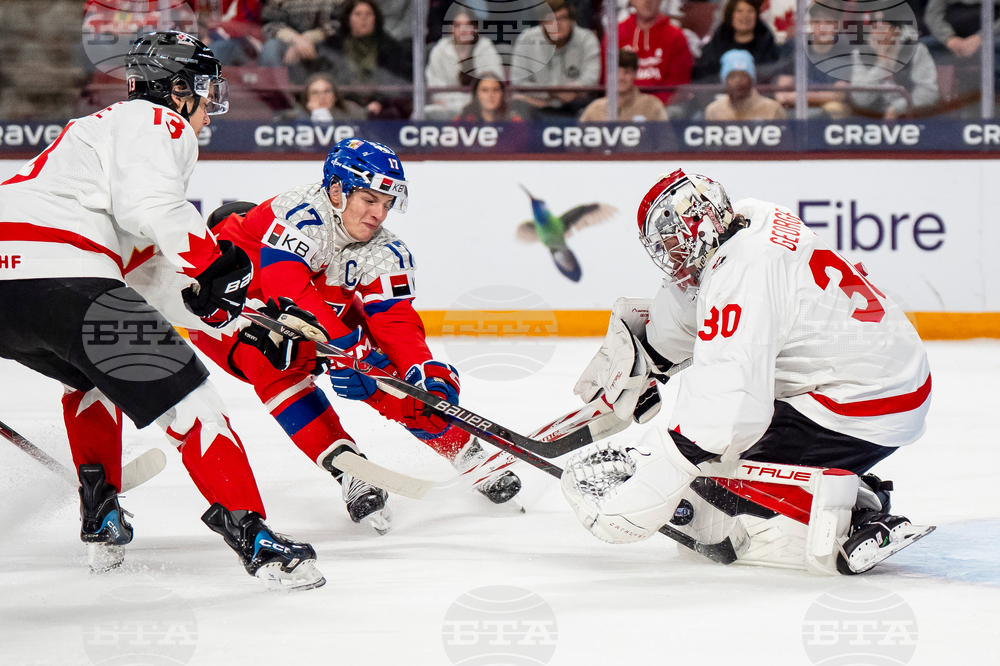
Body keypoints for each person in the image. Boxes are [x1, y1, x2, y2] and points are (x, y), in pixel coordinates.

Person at [0, 31, 324, 591]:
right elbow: (154, 209)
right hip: (64, 277)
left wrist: (235, 319)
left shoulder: (91, 148)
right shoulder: (156, 122)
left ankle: (100, 513)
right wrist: (214, 265)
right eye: (204, 90)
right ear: (177, 90)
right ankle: (257, 538)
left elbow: (150, 277)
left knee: (91, 376)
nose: (208, 108)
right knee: (192, 401)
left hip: (17, 290)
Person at [136, 139, 523, 534]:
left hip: (312, 308)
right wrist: (346, 350)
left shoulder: (384, 248)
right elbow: (285, 286)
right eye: (370, 199)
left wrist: (420, 367)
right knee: (275, 364)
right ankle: (349, 471)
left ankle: (465, 450)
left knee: (381, 370)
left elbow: (394, 320)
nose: (379, 214)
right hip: (238, 314)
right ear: (337, 189)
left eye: (387, 203)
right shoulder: (298, 211)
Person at [560, 169, 932, 575]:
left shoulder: (742, 274)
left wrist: (657, 474)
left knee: (713, 521)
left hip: (858, 404)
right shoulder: (756, 219)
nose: (670, 256)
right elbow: (707, 306)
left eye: (671, 243)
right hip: (884, 378)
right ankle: (833, 488)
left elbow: (729, 405)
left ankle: (850, 517)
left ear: (697, 228)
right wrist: (646, 351)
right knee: (706, 486)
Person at [510, 0, 601, 116]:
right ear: (542, 22)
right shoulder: (526, 39)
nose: (557, 24)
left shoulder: (587, 39)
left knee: (595, 105)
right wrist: (549, 93)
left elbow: (591, 79)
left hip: (576, 104)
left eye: (562, 18)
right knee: (517, 101)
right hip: (537, 105)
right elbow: (518, 81)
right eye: (551, 19)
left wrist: (569, 91)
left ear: (572, 21)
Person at [325, 0, 413, 118]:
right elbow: (327, 79)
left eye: (368, 14)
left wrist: (379, 101)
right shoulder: (332, 45)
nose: (363, 19)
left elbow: (397, 82)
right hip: (341, 105)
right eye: (358, 14)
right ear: (348, 18)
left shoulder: (392, 48)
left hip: (381, 107)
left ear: (376, 18)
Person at [850, 13, 939, 119]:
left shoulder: (916, 50)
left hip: (910, 117)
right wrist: (881, 66)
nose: (879, 34)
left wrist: (897, 108)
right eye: (875, 28)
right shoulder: (860, 54)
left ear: (897, 31)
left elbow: (929, 93)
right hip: (871, 119)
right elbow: (860, 99)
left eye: (885, 28)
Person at [774, 1, 850, 118]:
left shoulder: (844, 48)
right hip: (795, 104)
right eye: (817, 22)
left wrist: (800, 97)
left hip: (826, 106)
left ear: (836, 25)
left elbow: (839, 95)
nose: (823, 27)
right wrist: (784, 96)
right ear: (811, 23)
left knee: (836, 109)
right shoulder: (796, 45)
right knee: (774, 108)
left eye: (828, 22)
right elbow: (784, 82)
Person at [425, 10, 504, 119]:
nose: (463, 30)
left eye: (468, 25)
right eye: (458, 25)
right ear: (451, 29)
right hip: (445, 109)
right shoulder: (439, 50)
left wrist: (469, 103)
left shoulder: (486, 49)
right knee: (422, 114)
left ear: (475, 28)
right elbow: (437, 91)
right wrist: (458, 103)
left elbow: (492, 89)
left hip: (479, 110)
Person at [612, 0, 693, 104]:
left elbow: (677, 86)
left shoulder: (676, 37)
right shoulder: (615, 34)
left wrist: (650, 107)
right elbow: (607, 79)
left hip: (662, 110)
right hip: (621, 104)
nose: (647, 1)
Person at [693, 0, 781, 83]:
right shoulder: (714, 46)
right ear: (730, 15)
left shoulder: (769, 46)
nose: (745, 16)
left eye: (750, 11)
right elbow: (703, 79)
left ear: (756, 15)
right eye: (739, 11)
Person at [259, 0, 341, 84]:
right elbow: (269, 24)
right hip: (287, 43)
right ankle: (278, 93)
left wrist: (307, 39)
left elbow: (339, 22)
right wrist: (296, 39)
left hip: (325, 42)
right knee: (270, 48)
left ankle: (336, 93)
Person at [580, 49, 667, 121]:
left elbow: (667, 140)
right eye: (616, 72)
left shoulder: (652, 106)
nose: (621, 77)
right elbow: (578, 140)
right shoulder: (594, 110)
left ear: (635, 74)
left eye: (627, 72)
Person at [704, 49, 786, 120]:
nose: (738, 81)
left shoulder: (773, 109)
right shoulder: (713, 110)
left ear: (752, 80)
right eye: (732, 77)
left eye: (743, 76)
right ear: (725, 81)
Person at [277, 72, 368, 121]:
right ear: (307, 97)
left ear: (335, 96)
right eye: (315, 93)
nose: (322, 97)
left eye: (327, 91)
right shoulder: (293, 117)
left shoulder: (352, 112)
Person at [456, 74, 525, 121]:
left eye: (495, 90)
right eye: (485, 90)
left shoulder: (515, 122)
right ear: (476, 94)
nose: (491, 95)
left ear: (502, 94)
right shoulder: (461, 122)